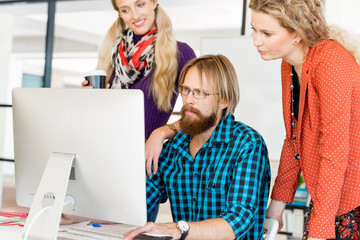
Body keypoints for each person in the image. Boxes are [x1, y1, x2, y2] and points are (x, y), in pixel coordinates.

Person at [123, 54, 271, 240]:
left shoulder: (247, 144)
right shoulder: (172, 149)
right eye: (186, 90)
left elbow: (236, 221)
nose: (189, 100)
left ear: (224, 100)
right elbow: (137, 202)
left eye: (200, 92)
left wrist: (178, 229)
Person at [249, 0, 360, 239]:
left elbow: (335, 152)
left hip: (352, 199)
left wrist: (319, 231)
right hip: (330, 196)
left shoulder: (331, 63)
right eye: (254, 30)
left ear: (297, 33)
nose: (256, 41)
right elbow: (293, 140)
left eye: (267, 33)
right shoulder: (289, 65)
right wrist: (275, 209)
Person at [82, 0, 196, 141]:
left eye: (140, 5)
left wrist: (161, 133)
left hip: (142, 157)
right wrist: (87, 101)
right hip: (101, 146)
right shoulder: (111, 53)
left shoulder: (179, 52)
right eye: (125, 10)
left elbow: (200, 111)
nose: (135, 15)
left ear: (154, 2)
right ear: (119, 13)